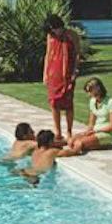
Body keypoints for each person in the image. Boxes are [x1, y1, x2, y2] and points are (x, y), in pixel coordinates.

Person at [42, 14, 81, 143]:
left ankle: (69, 130)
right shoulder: (50, 36)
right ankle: (58, 132)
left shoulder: (71, 35)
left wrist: (75, 71)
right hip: (54, 73)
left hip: (67, 73)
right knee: (54, 103)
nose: (53, 32)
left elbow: (77, 54)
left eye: (54, 29)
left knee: (68, 104)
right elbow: (48, 55)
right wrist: (45, 74)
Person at [65, 77, 112, 154]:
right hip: (95, 132)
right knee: (71, 141)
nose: (89, 94)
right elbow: (91, 123)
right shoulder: (92, 101)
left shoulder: (110, 102)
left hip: (106, 133)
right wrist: (87, 132)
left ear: (97, 89)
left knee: (79, 143)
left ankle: (73, 152)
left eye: (90, 91)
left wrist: (95, 131)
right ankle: (95, 145)